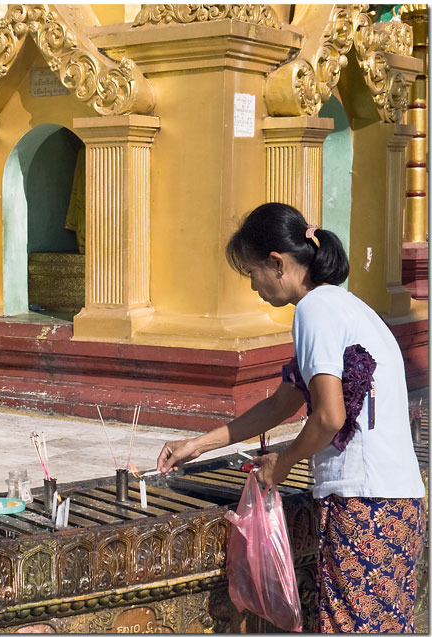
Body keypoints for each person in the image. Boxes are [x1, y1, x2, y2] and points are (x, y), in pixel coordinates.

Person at [156, 202, 426, 633]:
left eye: (251, 273)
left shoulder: (314, 311)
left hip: (363, 503)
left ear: (276, 263)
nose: (253, 287)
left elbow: (329, 416)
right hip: (396, 500)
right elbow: (281, 404)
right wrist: (198, 444)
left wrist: (281, 465)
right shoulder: (345, 305)